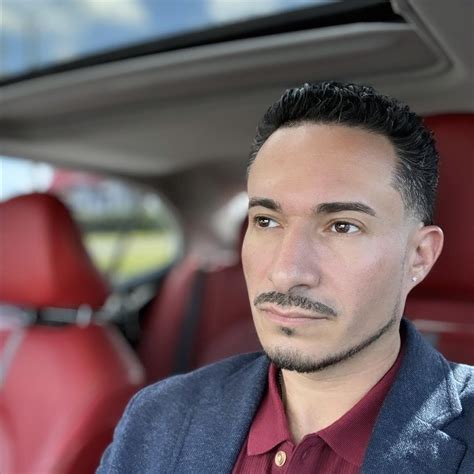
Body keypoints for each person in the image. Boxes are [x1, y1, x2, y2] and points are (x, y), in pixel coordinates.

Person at [97, 82, 474, 473]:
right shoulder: (157, 419)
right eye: (266, 221)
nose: (285, 272)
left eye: (342, 226)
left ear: (419, 256)